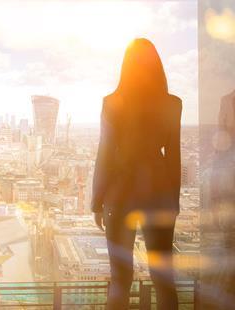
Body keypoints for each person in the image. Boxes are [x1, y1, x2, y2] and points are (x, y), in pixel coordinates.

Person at [91, 38, 181, 310]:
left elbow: (105, 154)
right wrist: (173, 203)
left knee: (120, 280)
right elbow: (174, 157)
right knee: (163, 278)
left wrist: (96, 202)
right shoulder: (172, 104)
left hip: (120, 194)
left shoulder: (112, 102)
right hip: (160, 194)